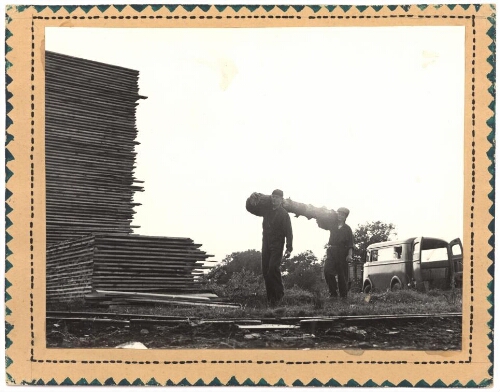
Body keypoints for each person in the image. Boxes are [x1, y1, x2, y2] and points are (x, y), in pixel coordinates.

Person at [246, 189, 293, 306]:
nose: (275, 199)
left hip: (277, 244)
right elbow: (252, 209)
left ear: (281, 200)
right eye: (273, 197)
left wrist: (289, 248)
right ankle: (271, 299)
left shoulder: (284, 214)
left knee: (273, 268)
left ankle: (279, 296)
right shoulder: (267, 210)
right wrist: (250, 200)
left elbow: (289, 232)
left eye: (277, 197)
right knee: (266, 271)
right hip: (266, 243)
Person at [316, 207, 354, 299]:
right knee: (327, 271)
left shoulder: (347, 229)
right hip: (331, 251)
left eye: (342, 215)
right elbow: (322, 224)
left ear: (345, 217)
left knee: (342, 275)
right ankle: (333, 293)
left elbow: (350, 244)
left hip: (342, 252)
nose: (340, 216)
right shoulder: (333, 224)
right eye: (339, 214)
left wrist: (349, 255)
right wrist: (318, 214)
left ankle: (343, 296)